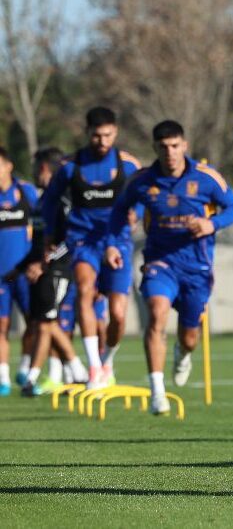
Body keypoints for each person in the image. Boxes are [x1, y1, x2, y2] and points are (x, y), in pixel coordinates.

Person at [104, 121, 233, 414]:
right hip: (160, 262)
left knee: (190, 336)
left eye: (175, 146)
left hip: (197, 267)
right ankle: (157, 392)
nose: (170, 152)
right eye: (164, 147)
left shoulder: (206, 177)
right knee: (156, 313)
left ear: (184, 145)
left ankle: (183, 352)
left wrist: (211, 223)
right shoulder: (142, 180)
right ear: (155, 148)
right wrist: (113, 243)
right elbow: (119, 210)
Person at [41, 107, 141, 388]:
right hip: (83, 239)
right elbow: (50, 200)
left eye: (107, 135)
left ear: (115, 132)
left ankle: (107, 360)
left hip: (117, 241)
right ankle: (94, 368)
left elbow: (145, 194)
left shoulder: (128, 165)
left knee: (117, 314)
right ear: (87, 133)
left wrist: (137, 213)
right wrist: (50, 233)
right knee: (85, 290)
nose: (102, 141)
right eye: (97, 136)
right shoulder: (70, 165)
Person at [16, 148, 86, 396]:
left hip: (58, 270)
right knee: (45, 322)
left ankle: (44, 376)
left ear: (44, 168)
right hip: (42, 271)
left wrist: (45, 263)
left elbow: (70, 239)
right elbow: (38, 243)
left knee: (47, 322)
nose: (34, 172)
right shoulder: (42, 201)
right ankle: (75, 372)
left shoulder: (63, 200)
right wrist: (23, 267)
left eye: (36, 167)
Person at [0, 146, 37, 396]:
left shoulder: (26, 191)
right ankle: (2, 377)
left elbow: (44, 223)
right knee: (2, 324)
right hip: (0, 274)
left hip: (25, 272)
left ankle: (24, 368)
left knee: (33, 322)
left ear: (8, 165)